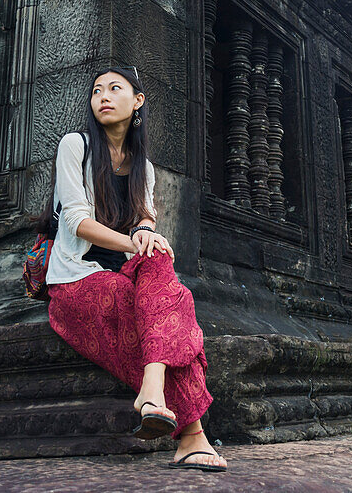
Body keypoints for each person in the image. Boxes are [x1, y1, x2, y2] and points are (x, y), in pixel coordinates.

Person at [38, 66, 227, 472]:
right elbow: (76, 221)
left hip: (124, 275)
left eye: (114, 88)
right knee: (173, 303)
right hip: (76, 280)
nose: (102, 96)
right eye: (96, 91)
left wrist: (146, 233)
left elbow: (145, 217)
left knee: (159, 262)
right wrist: (134, 241)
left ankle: (152, 389)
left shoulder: (145, 167)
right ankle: (192, 435)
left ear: (137, 100)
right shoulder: (76, 146)